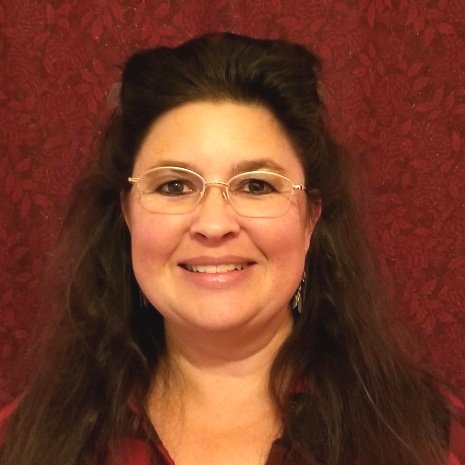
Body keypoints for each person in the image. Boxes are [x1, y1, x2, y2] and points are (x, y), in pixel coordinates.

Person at [0, 32, 463, 465]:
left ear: (310, 219)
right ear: (127, 213)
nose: (214, 224)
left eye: (257, 185)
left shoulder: (433, 437)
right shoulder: (21, 441)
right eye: (175, 185)